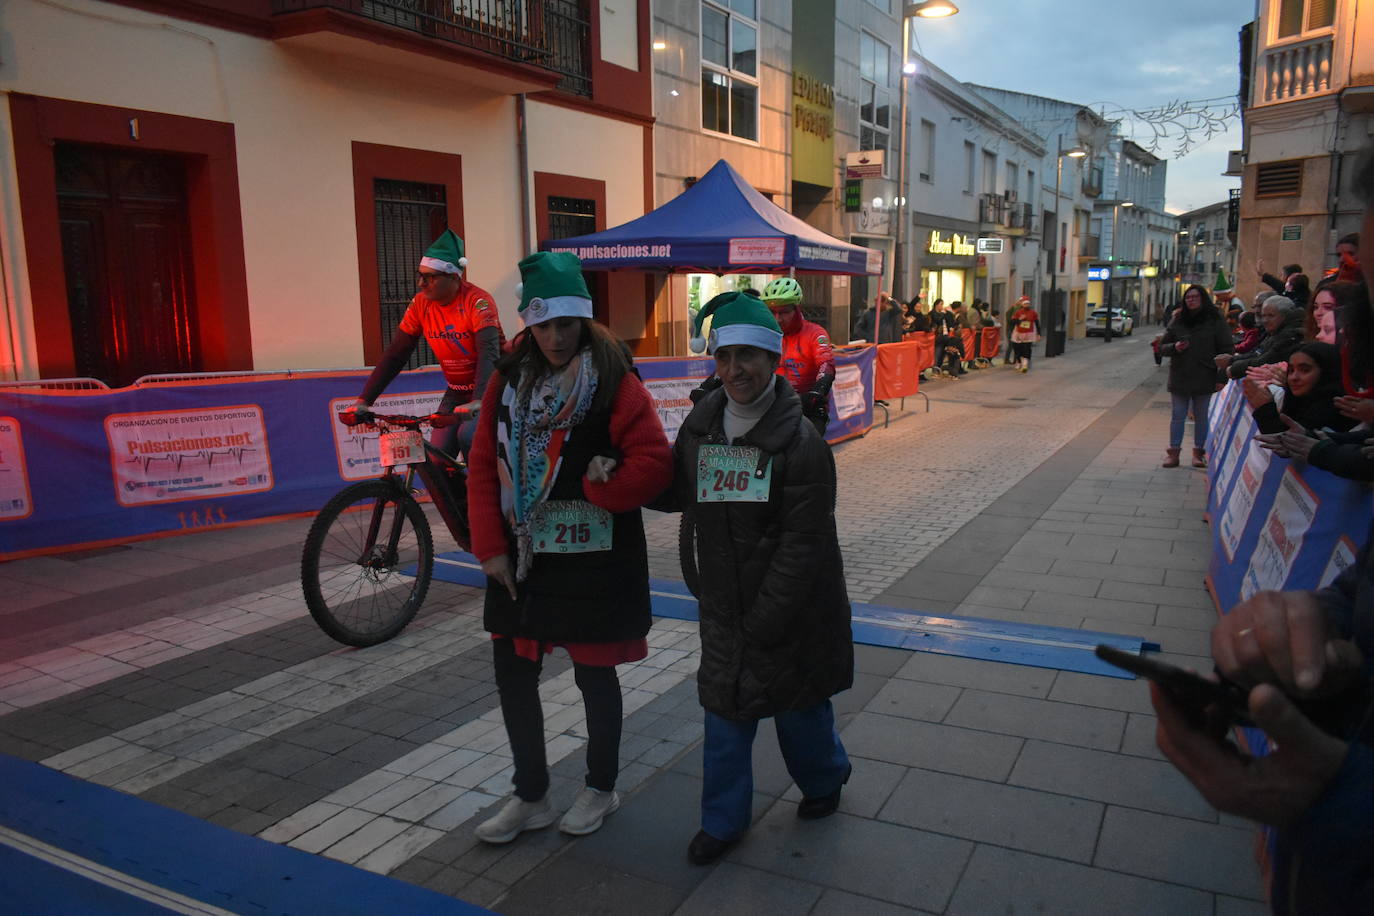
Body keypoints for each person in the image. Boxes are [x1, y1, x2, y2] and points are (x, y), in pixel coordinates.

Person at [465, 251, 672, 845]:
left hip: (595, 559)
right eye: (543, 324)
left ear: (584, 318)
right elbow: (484, 465)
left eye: (566, 323)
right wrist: (489, 550)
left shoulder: (615, 380)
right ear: (528, 323)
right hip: (524, 556)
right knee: (513, 674)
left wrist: (603, 483)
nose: (555, 336)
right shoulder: (506, 382)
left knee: (595, 677)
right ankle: (531, 796)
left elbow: (656, 464)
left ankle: (599, 788)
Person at [670, 291, 854, 866]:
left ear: (774, 360)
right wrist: (609, 479)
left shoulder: (801, 443)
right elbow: (678, 493)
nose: (734, 370)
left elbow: (805, 544)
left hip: (791, 612)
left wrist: (765, 618)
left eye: (748, 356)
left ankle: (825, 781)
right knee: (726, 717)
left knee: (801, 712)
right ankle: (722, 822)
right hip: (727, 606)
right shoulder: (700, 429)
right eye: (724, 358)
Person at [347, 229, 502, 455]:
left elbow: (489, 352)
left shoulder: (477, 301)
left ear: (453, 277)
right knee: (435, 457)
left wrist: (479, 399)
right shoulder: (421, 304)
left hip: (492, 388)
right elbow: (397, 353)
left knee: (469, 438)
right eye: (419, 275)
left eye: (429, 277)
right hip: (457, 391)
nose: (421, 283)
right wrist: (365, 400)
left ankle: (482, 489)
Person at [1157, 284, 1232, 468]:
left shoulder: (1214, 319)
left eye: (1195, 297)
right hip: (1180, 375)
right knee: (1178, 415)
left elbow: (1226, 349)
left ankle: (1199, 453)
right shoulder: (1178, 319)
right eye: (1188, 297)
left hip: (1205, 374)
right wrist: (1175, 347)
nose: (1191, 300)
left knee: (1201, 416)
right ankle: (1173, 453)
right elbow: (1162, 347)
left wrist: (1222, 377)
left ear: (1202, 298)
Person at [761, 276, 835, 436]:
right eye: (772, 312)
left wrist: (818, 391)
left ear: (797, 309)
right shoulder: (765, 335)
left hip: (808, 407)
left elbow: (826, 365)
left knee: (807, 449)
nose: (777, 319)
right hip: (774, 405)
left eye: (784, 312)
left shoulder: (815, 333)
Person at [1242, 341, 1354, 435]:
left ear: (1326, 372)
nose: (1293, 378)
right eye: (1291, 370)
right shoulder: (1300, 398)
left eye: (1305, 370)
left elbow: (1286, 442)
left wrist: (1264, 407)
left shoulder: (1336, 404)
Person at [1217, 296, 1305, 380]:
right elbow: (1258, 353)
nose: (1265, 320)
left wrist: (1234, 367)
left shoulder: (1290, 334)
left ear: (1284, 316)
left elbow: (1266, 360)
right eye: (1263, 316)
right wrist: (1232, 360)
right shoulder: (1275, 331)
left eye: (1271, 316)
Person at [930, 298, 966, 376]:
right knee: (938, 352)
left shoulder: (946, 314)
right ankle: (935, 369)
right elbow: (937, 320)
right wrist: (942, 313)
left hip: (946, 335)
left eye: (943, 304)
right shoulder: (933, 313)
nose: (942, 306)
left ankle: (946, 368)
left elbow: (951, 322)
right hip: (939, 336)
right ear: (936, 305)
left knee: (945, 353)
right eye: (940, 305)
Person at [1008, 296, 1039, 373]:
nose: (1027, 305)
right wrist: (1019, 319)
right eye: (1025, 304)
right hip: (1018, 333)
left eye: (1028, 304)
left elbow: (1037, 323)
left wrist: (1039, 333)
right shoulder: (1018, 312)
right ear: (1022, 304)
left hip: (1029, 333)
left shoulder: (1033, 313)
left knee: (1027, 348)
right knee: (1017, 348)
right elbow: (1012, 322)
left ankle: (1025, 364)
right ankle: (1018, 362)